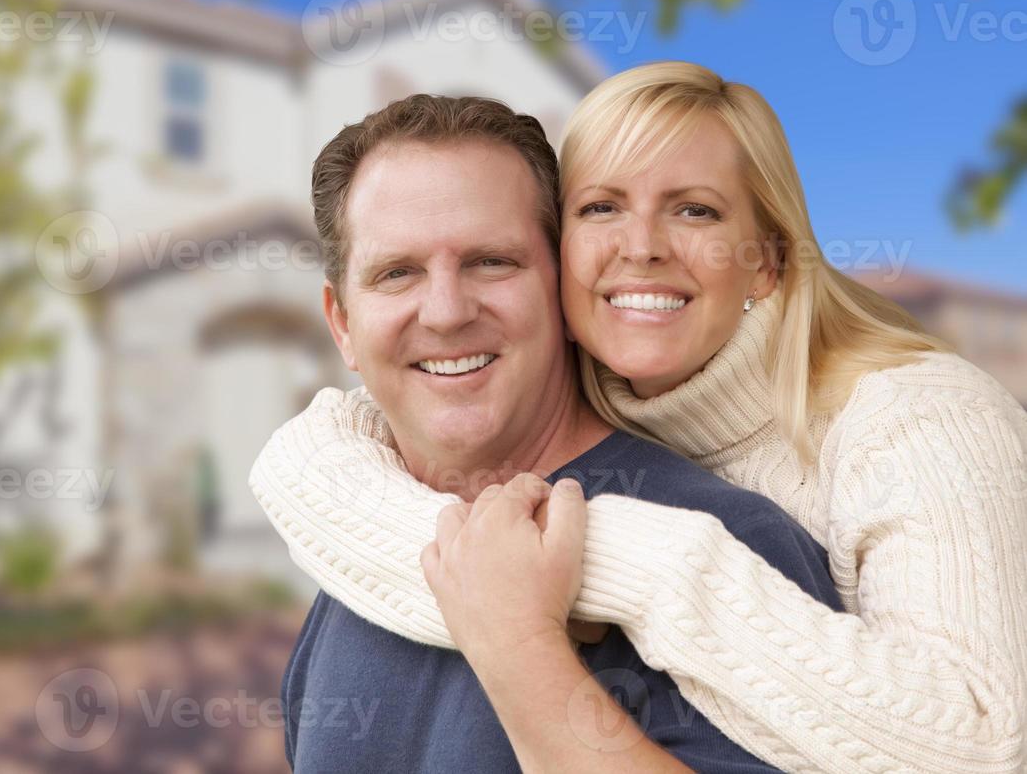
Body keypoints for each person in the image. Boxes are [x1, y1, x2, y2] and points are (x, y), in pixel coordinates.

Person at [252, 64, 1027, 773]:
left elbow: (985, 744)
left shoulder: (878, 449)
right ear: (342, 325)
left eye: (494, 261)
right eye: (397, 273)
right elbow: (316, 460)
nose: (449, 311)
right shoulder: (363, 551)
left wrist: (569, 602)